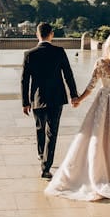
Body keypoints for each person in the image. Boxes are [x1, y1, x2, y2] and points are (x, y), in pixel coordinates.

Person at [45, 32, 110, 200]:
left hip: (104, 101)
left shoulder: (100, 63)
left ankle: (102, 169)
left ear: (107, 45)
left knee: (100, 135)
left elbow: (92, 85)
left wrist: (78, 99)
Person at [21, 22, 79, 179]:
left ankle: (41, 155)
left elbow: (24, 80)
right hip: (56, 98)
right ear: (51, 34)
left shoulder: (29, 54)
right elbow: (68, 75)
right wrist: (74, 95)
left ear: (37, 34)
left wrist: (25, 102)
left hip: (37, 98)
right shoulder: (59, 52)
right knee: (52, 133)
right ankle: (46, 167)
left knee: (40, 128)